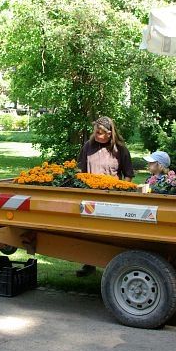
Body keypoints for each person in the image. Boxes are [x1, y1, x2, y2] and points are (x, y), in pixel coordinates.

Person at [75, 116, 135, 276]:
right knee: (89, 233)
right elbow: (80, 171)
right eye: (95, 132)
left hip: (112, 198)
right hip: (90, 196)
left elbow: (128, 175)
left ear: (110, 134)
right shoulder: (88, 146)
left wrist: (121, 191)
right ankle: (89, 263)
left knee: (111, 234)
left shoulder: (119, 149)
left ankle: (117, 266)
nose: (97, 135)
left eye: (100, 133)